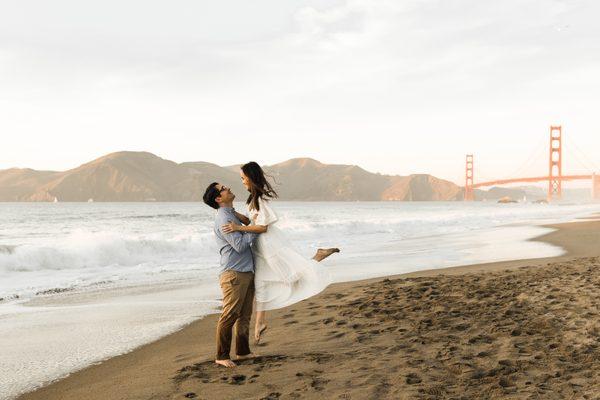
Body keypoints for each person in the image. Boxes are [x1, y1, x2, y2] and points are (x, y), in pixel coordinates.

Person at [221, 161, 339, 344]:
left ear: (251, 178)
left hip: (268, 244)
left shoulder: (259, 199)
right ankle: (260, 322)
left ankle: (317, 257)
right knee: (262, 283)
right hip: (260, 246)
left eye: (243, 178)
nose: (242, 181)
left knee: (289, 277)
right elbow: (251, 221)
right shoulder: (252, 198)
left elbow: (262, 227)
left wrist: (237, 227)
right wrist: (233, 214)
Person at [203, 182, 258, 368]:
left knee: (245, 315)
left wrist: (247, 224)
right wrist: (254, 229)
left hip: (245, 270)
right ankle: (221, 355)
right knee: (230, 315)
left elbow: (247, 223)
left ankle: (242, 352)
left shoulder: (230, 214)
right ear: (218, 198)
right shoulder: (224, 219)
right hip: (234, 273)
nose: (228, 188)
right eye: (223, 188)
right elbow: (241, 246)